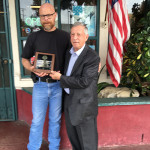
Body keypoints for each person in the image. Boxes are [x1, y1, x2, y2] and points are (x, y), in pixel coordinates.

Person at [21, 3, 71, 150]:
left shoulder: (65, 37)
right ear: (40, 18)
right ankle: (33, 147)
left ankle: (54, 147)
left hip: (57, 86)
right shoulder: (34, 37)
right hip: (40, 85)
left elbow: (74, 59)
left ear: (55, 15)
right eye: (43, 16)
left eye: (49, 15)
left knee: (55, 120)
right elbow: (24, 58)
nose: (46, 19)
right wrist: (31, 68)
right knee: (37, 121)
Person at [50, 22, 100, 150]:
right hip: (69, 102)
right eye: (72, 34)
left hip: (84, 106)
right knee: (75, 142)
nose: (75, 37)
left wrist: (60, 78)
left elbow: (84, 82)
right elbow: (67, 72)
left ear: (86, 37)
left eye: (79, 34)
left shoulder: (92, 57)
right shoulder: (69, 53)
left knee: (87, 144)